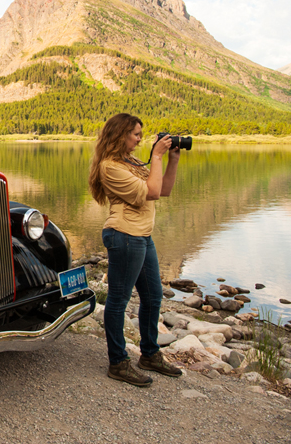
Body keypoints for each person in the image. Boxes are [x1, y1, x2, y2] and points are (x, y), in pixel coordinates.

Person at [88, 113, 182, 387]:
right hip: (124, 236)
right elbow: (150, 193)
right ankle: (118, 362)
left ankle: (150, 354)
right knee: (118, 300)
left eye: (142, 135)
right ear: (121, 134)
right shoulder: (110, 167)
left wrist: (172, 159)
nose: (140, 139)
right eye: (136, 134)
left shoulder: (128, 162)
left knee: (153, 298)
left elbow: (163, 190)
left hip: (142, 236)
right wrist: (156, 157)